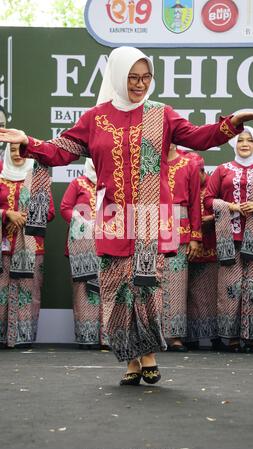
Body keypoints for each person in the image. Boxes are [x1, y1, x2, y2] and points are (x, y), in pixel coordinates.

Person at [0, 46, 252, 384]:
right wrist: (29, 142)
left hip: (149, 219)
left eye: (146, 77)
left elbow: (199, 137)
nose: (140, 84)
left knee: (146, 288)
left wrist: (233, 123)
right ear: (118, 77)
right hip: (113, 217)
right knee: (115, 289)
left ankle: (146, 353)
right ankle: (130, 359)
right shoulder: (96, 118)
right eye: (132, 78)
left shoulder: (161, 114)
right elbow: (61, 150)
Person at [0, 143, 55, 348]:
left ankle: (23, 338)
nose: (17, 154)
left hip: (31, 248)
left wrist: (26, 216)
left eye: (21, 150)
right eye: (13, 150)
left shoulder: (38, 178)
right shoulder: (0, 174)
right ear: (6, 152)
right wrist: (7, 215)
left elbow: (50, 212)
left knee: (27, 292)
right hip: (3, 247)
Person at [204, 127, 253, 353]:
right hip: (230, 238)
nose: (244, 144)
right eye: (240, 140)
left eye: (249, 140)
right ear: (233, 144)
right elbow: (208, 200)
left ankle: (250, 336)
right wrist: (231, 206)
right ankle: (231, 336)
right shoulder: (223, 170)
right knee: (230, 287)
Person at [60, 159, 108, 348]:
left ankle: (107, 338)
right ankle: (87, 337)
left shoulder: (113, 184)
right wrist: (84, 223)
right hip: (82, 247)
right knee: (84, 291)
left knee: (109, 289)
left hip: (108, 244)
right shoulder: (78, 183)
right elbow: (65, 208)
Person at [162, 144, 202, 352]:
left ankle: (175, 335)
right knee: (150, 282)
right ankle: (153, 335)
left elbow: (195, 201)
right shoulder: (150, 163)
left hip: (180, 225)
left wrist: (196, 236)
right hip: (152, 223)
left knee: (177, 282)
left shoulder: (189, 164)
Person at [186, 153, 220, 350]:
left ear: (201, 171)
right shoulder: (185, 185)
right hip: (189, 247)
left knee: (211, 293)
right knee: (190, 294)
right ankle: (192, 338)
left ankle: (215, 337)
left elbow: (225, 210)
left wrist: (211, 220)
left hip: (211, 246)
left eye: (193, 174)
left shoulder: (212, 185)